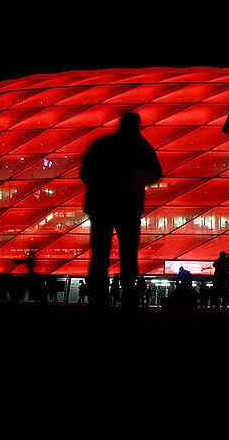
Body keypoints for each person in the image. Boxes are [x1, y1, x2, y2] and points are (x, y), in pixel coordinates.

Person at [81, 111, 163, 313]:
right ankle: (128, 294)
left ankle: (98, 296)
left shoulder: (102, 144)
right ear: (137, 126)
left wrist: (101, 185)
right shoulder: (141, 147)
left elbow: (85, 172)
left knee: (99, 252)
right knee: (128, 252)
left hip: (101, 204)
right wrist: (132, 182)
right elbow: (156, 172)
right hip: (128, 205)